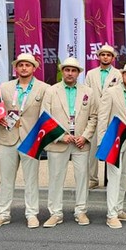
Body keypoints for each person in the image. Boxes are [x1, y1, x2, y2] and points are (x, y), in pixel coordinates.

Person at [0, 53, 49, 229]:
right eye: (20, 65)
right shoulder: (4, 87)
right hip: (8, 137)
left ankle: (32, 214)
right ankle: (3, 214)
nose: (24, 68)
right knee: (6, 179)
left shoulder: (44, 88)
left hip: (31, 138)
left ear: (34, 68)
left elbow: (46, 114)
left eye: (27, 65)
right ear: (16, 68)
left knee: (31, 179)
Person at [42, 57, 99, 228]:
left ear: (78, 73)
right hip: (58, 142)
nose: (70, 73)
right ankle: (55, 213)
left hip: (81, 142)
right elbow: (45, 117)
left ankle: (81, 211)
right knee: (56, 178)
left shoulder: (88, 91)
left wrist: (85, 136)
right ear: (62, 71)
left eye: (73, 70)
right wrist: (60, 135)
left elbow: (94, 117)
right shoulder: (51, 91)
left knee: (82, 178)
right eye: (67, 70)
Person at [97, 63, 126, 229]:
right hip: (113, 140)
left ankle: (119, 208)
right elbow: (102, 118)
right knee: (114, 178)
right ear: (122, 75)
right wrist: (102, 143)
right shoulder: (110, 92)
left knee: (124, 177)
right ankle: (111, 215)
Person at [84, 44, 122, 189]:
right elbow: (87, 93)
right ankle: (92, 178)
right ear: (98, 56)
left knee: (111, 146)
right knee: (92, 146)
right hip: (94, 114)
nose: (105, 57)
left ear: (113, 58)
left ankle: (109, 179)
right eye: (103, 54)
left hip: (111, 115)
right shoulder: (90, 74)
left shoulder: (118, 74)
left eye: (108, 55)